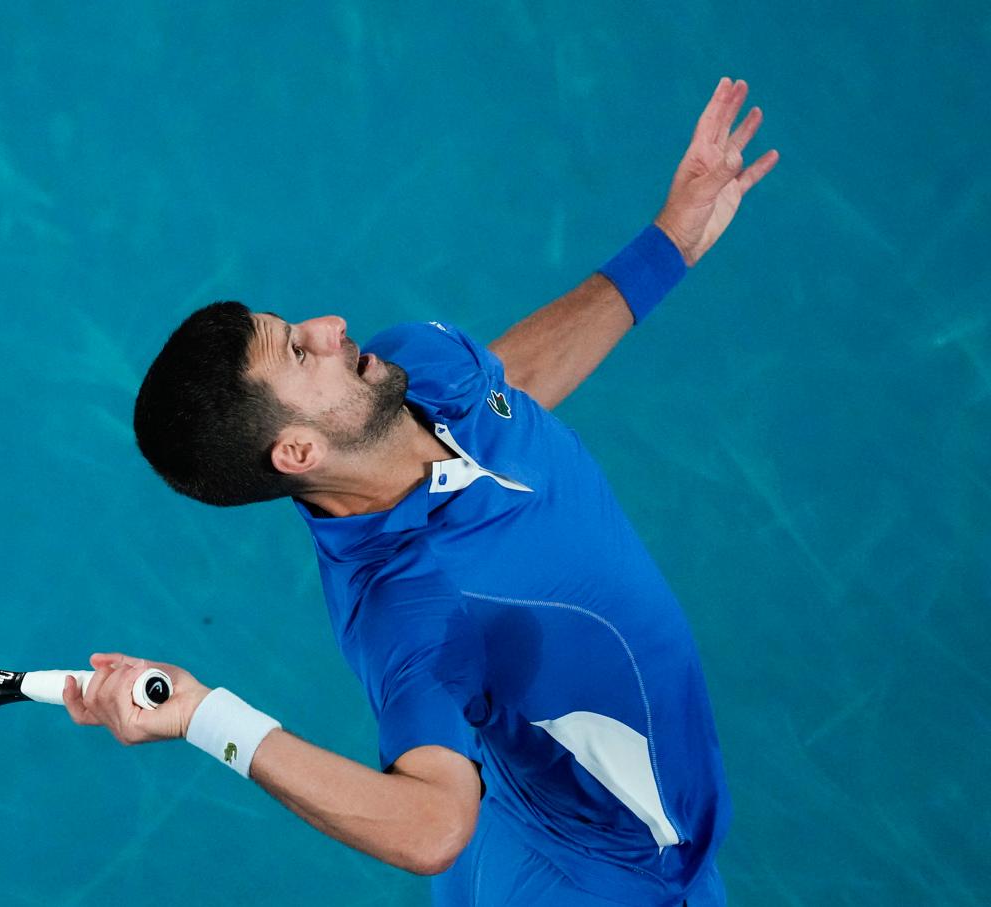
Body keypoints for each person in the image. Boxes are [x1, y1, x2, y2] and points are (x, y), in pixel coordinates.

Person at [62, 77, 778, 906]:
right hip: (604, 883)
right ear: (296, 449)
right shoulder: (413, 605)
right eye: (300, 352)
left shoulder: (412, 369)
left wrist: (669, 245)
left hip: (575, 811)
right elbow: (432, 826)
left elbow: (515, 386)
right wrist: (203, 714)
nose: (330, 325)